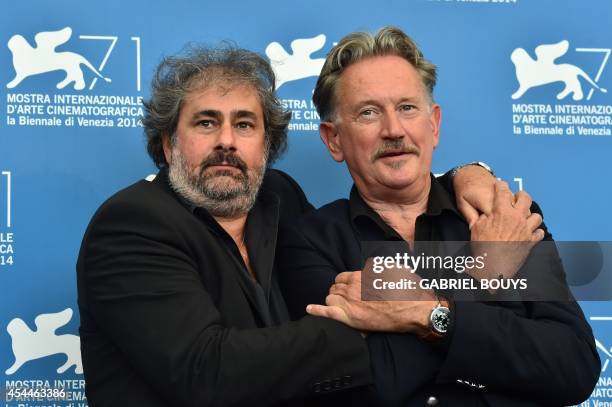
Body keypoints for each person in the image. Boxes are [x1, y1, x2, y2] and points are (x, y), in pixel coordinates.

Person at [77, 44, 502, 406]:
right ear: (169, 143)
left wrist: (466, 175)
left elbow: (398, 192)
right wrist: (405, 323)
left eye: (244, 124)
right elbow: (207, 371)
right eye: (206, 122)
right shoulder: (130, 225)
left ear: (267, 145)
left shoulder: (279, 199)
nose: (227, 140)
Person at [278, 26, 600, 406]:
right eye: (368, 113)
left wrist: (422, 314)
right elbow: (373, 385)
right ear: (334, 139)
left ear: (434, 125)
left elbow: (573, 367)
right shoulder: (310, 242)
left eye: (407, 108)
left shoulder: (505, 215)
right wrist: (486, 280)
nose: (394, 130)